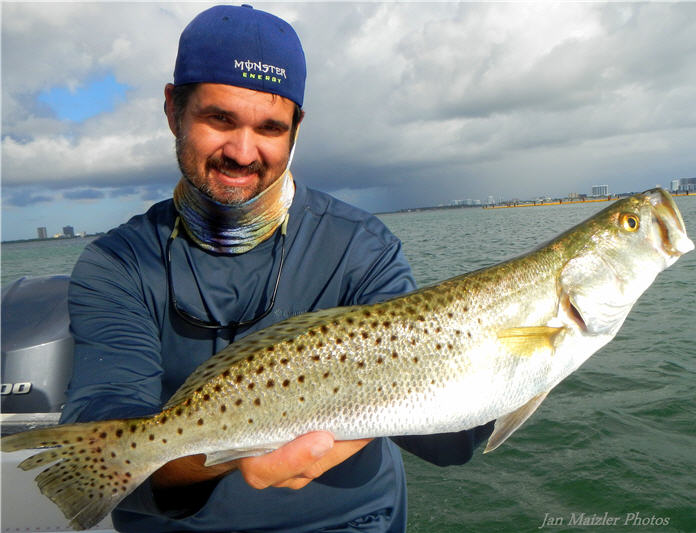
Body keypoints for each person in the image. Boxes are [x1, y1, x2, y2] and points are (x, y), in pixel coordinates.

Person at [60, 5, 493, 532]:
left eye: (270, 127)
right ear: (174, 108)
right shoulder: (117, 264)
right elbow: (103, 434)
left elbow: (452, 444)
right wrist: (236, 445)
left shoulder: (363, 248)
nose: (243, 152)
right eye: (219, 118)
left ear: (297, 128)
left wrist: (528, 352)